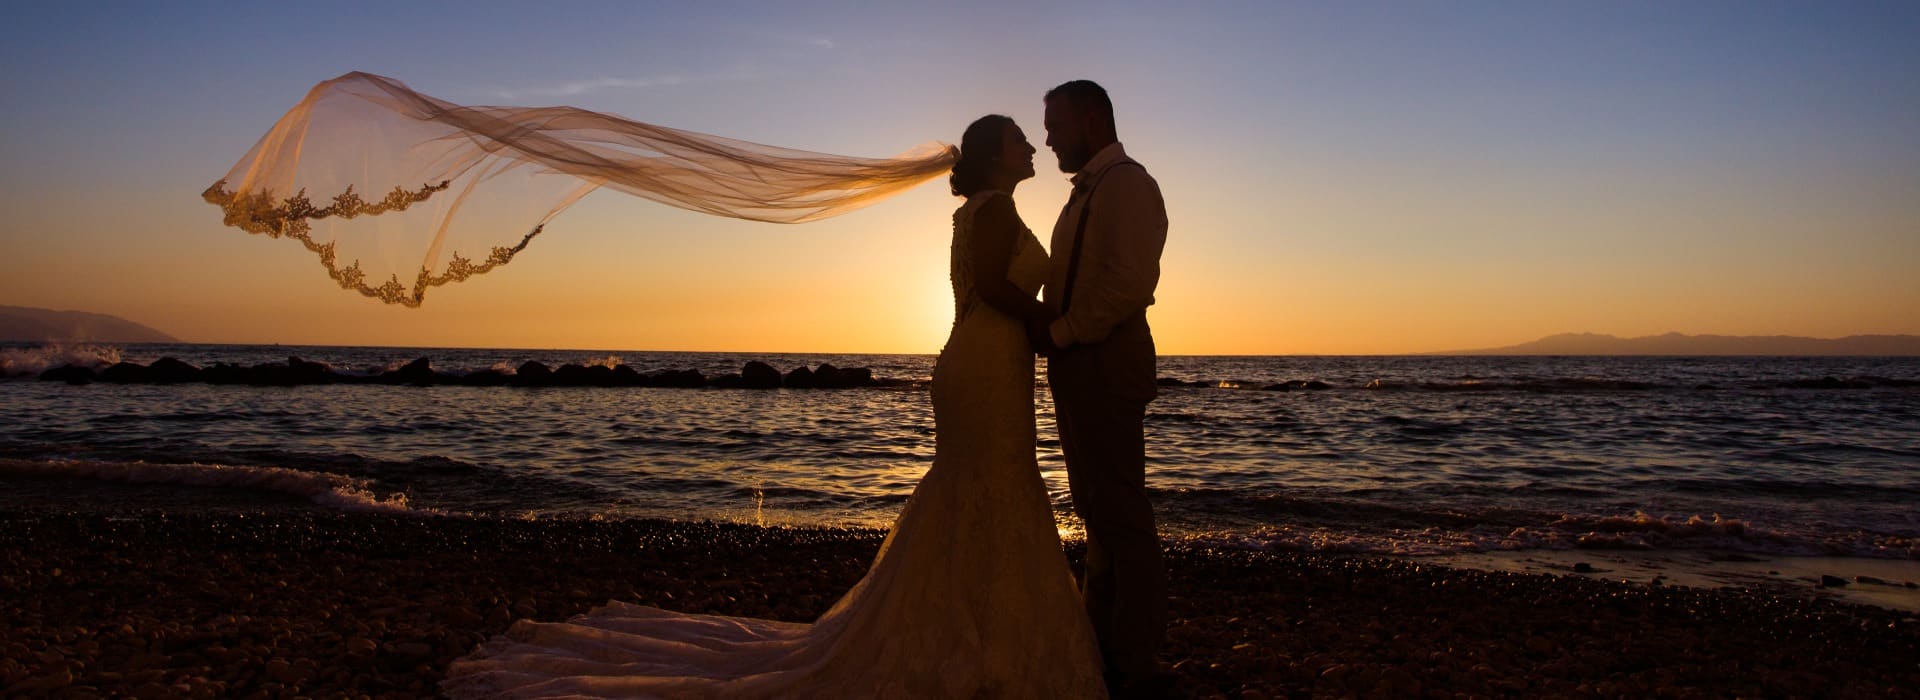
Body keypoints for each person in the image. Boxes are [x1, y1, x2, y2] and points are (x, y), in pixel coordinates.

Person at [441, 115, 1107, 698]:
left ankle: (978, 634)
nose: (1030, 146)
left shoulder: (986, 209)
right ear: (995, 153)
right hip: (985, 366)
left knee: (985, 490)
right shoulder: (992, 211)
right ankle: (977, 644)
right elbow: (993, 285)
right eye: (1020, 138)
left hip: (987, 364)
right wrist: (1052, 322)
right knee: (985, 487)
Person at [1027, 79, 1171, 695]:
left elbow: (1128, 284)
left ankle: (1136, 662)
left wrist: (1060, 333)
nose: (1048, 138)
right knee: (1095, 508)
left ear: (1090, 120)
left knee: (1121, 513)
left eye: (1055, 125)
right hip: (1078, 364)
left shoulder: (1130, 185)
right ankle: (1104, 645)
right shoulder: (1082, 195)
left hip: (1105, 362)